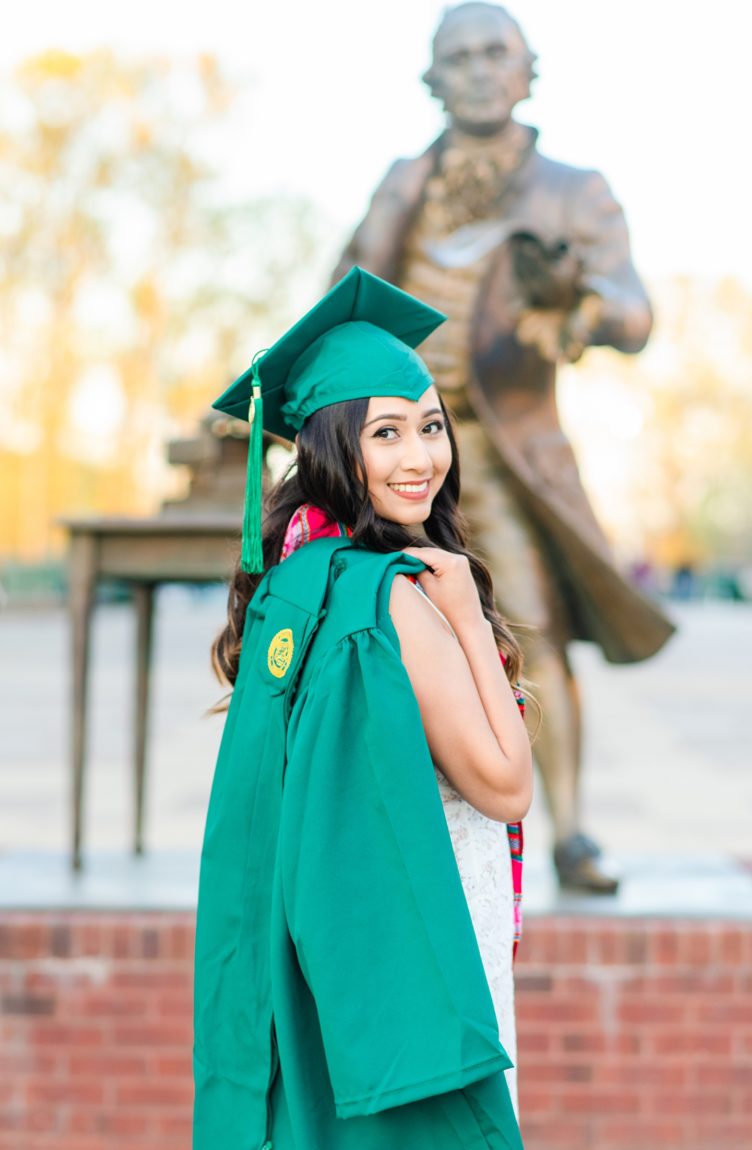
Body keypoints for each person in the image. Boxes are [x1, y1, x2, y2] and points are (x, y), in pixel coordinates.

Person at [332, 1, 675, 891]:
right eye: (460, 56)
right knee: (368, 631)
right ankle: (374, 824)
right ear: (432, 79)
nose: (481, 69)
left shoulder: (574, 188)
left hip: (496, 451)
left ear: (529, 71)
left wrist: (587, 312)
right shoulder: (402, 181)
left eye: (498, 53)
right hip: (385, 452)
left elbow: (633, 307)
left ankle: (570, 830)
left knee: (532, 626)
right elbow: (337, 298)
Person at [193, 266, 533, 1149]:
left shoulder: (294, 583)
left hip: (321, 951)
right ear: (334, 446)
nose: (420, 458)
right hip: (432, 923)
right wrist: (462, 617)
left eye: (430, 426)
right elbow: (504, 786)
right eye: (386, 433)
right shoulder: (393, 597)